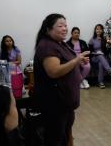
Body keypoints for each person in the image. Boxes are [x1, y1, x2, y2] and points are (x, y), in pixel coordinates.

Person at [34, 13, 90, 146]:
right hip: (55, 102)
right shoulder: (47, 46)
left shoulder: (59, 43)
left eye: (65, 25)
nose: (65, 28)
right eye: (60, 26)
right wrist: (76, 60)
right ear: (48, 29)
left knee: (64, 135)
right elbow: (54, 71)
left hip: (65, 102)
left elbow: (67, 63)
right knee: (55, 138)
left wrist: (78, 60)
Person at [88, 24, 111, 89]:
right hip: (94, 58)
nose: (98, 30)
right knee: (100, 55)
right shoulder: (92, 40)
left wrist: (105, 44)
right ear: (95, 30)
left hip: (104, 58)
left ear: (102, 30)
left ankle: (100, 82)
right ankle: (109, 70)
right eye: (97, 29)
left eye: (100, 29)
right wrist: (96, 53)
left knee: (101, 63)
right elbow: (90, 52)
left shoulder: (105, 39)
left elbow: (107, 51)